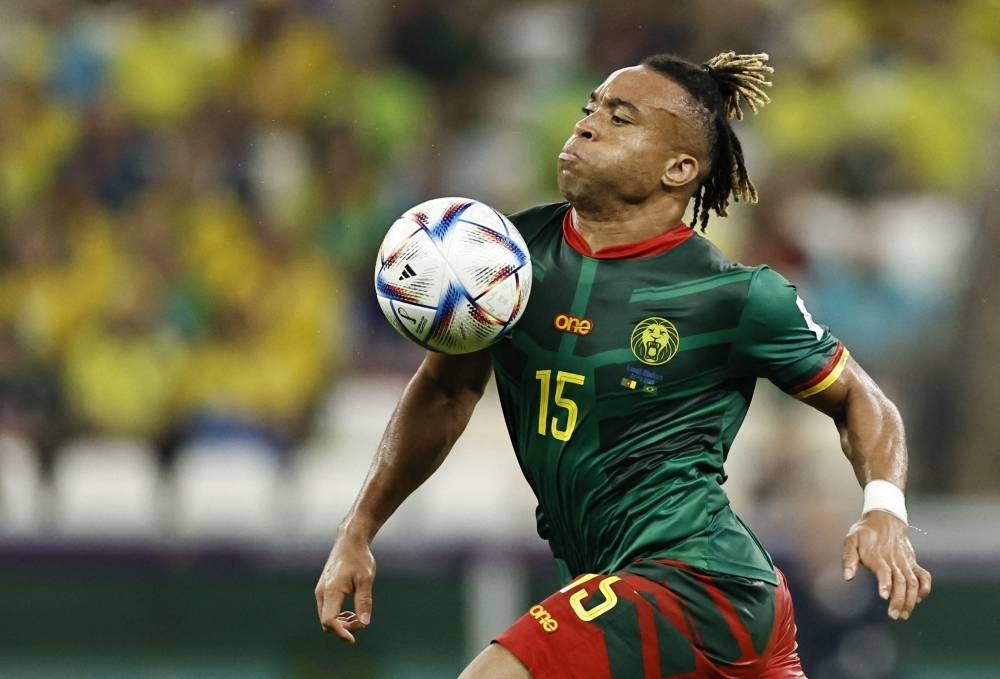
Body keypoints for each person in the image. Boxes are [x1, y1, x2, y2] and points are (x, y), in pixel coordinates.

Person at [314, 51, 933, 678]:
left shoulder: (734, 296)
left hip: (699, 580)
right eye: (590, 110)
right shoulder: (500, 261)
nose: (586, 126)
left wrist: (884, 507)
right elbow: (445, 394)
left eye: (620, 118)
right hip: (620, 587)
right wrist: (358, 528)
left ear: (679, 168)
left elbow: (863, 399)